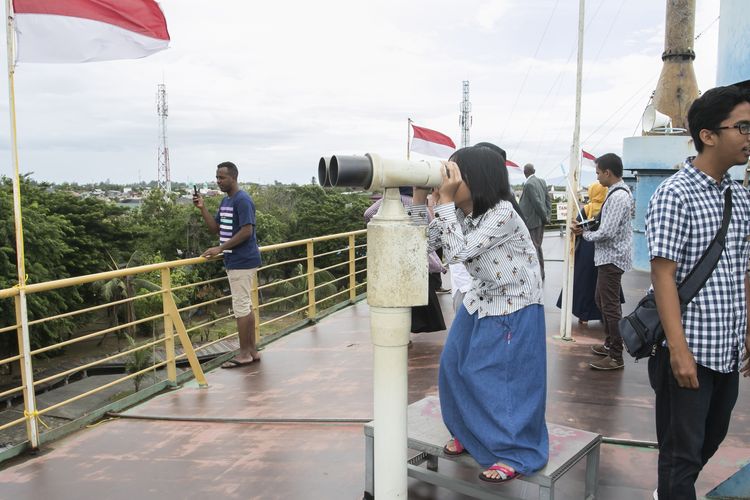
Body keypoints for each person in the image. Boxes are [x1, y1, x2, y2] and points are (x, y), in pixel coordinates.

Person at [410, 146, 548, 483]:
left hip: (514, 305)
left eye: (454, 175)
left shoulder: (502, 214)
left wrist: (442, 201)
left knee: (498, 379)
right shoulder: (462, 215)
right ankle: (471, 434)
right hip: (480, 300)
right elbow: (417, 244)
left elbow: (456, 253)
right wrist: (417, 197)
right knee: (454, 367)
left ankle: (514, 453)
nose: (448, 182)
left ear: (477, 179)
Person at [646, 85, 750, 500]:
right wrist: (678, 350)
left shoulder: (739, 197)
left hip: (725, 349)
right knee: (681, 454)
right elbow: (663, 276)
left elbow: (744, 267)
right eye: (742, 126)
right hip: (688, 352)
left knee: (712, 437)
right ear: (708, 135)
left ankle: (670, 489)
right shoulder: (675, 195)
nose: (749, 135)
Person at [193, 161, 262, 368]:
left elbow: (247, 230)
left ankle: (244, 354)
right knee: (245, 306)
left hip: (242, 260)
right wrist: (202, 208)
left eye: (222, 177)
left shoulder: (242, 200)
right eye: (217, 177)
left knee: (241, 307)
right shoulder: (226, 201)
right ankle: (251, 351)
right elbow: (215, 228)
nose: (218, 181)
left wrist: (220, 249)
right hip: (235, 260)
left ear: (234, 177)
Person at [572, 153, 633, 371]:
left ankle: (616, 355)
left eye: (598, 173)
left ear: (608, 172)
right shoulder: (617, 193)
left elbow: (606, 231)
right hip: (610, 257)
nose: (597, 178)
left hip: (611, 258)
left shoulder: (617, 197)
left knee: (609, 306)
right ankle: (610, 344)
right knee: (603, 301)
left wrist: (585, 234)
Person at [364, 187, 446, 333]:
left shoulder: (387, 201)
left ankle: (398, 331)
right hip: (412, 254)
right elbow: (428, 223)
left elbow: (368, 213)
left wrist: (386, 226)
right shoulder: (415, 204)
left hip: (392, 253)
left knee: (394, 295)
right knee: (413, 292)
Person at [555, 181, 624, 323]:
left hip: (587, 250)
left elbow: (577, 227)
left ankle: (584, 315)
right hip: (606, 250)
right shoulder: (608, 207)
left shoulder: (587, 209)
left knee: (584, 283)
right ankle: (604, 317)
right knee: (605, 285)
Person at [519, 163, 551, 279]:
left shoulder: (529, 184)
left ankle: (538, 275)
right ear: (534, 170)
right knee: (538, 246)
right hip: (539, 221)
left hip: (532, 222)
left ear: (524, 172)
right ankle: (541, 273)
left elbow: (537, 203)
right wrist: (547, 216)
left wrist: (544, 217)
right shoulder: (542, 181)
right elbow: (548, 200)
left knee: (534, 248)